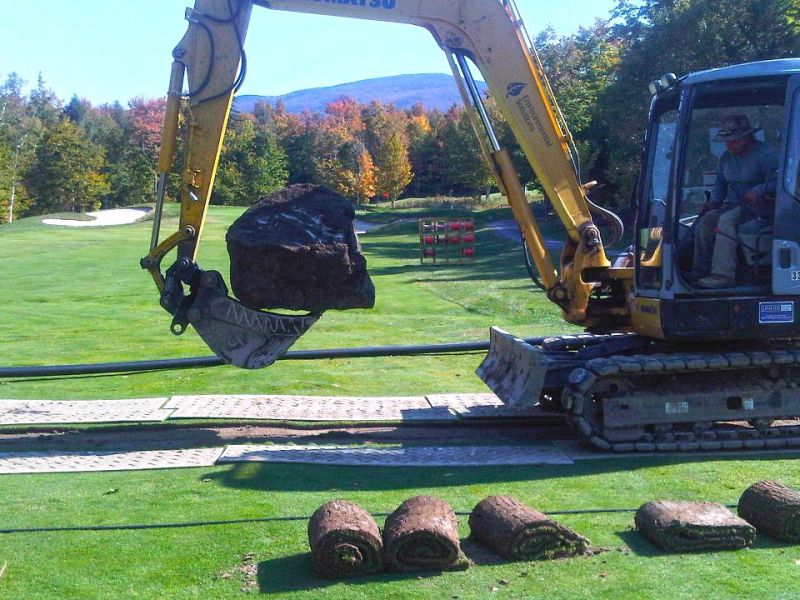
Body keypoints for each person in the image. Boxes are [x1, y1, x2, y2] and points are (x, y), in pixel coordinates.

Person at [692, 115, 779, 288]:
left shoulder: (766, 155)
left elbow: (780, 183)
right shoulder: (726, 158)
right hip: (736, 206)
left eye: (733, 140)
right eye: (726, 141)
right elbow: (720, 184)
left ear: (746, 137)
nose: (728, 145)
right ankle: (699, 271)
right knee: (707, 220)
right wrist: (714, 202)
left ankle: (723, 275)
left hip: (762, 208)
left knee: (726, 220)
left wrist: (759, 190)